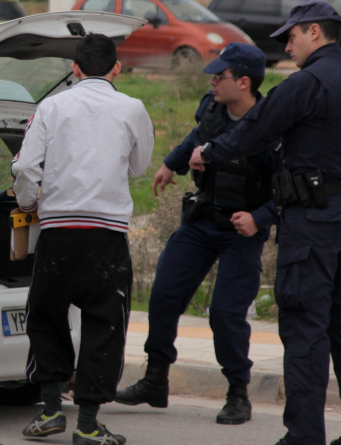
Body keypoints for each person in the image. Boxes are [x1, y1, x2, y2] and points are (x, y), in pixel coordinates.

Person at [188, 0, 341, 445]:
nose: (286, 45)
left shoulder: (305, 84)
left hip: (313, 223)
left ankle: (303, 437)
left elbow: (255, 131)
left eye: (291, 36)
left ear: (315, 32)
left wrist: (208, 151)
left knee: (305, 329)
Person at [115, 42, 281, 426]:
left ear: (243, 82)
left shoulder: (272, 128)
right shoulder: (213, 108)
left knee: (225, 314)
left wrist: (260, 218)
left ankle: (238, 393)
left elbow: (288, 190)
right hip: (201, 220)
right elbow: (197, 136)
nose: (212, 81)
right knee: (164, 295)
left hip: (242, 231)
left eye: (219, 76)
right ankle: (155, 380)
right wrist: (170, 164)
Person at [11, 33, 154, 445]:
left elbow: (24, 169)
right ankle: (89, 424)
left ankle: (52, 410)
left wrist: (27, 202)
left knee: (46, 316)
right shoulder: (133, 108)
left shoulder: (52, 106)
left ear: (74, 69)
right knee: (104, 325)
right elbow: (140, 168)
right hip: (107, 237)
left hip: (58, 234)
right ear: (117, 69)